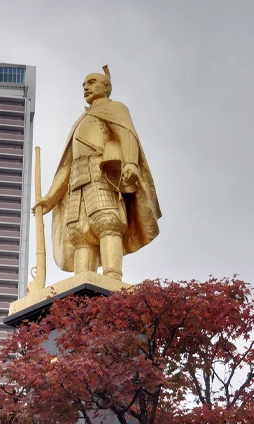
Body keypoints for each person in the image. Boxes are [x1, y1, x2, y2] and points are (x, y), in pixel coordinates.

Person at [34, 66, 161, 280]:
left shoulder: (116, 108)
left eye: (92, 82)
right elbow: (66, 165)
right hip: (77, 178)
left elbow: (127, 134)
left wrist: (131, 163)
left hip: (101, 171)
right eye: (84, 84)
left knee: (107, 222)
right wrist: (50, 198)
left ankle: (112, 277)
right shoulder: (79, 121)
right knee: (80, 232)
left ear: (107, 86)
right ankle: (82, 281)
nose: (86, 87)